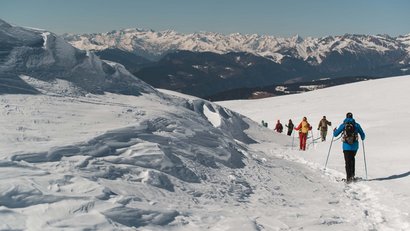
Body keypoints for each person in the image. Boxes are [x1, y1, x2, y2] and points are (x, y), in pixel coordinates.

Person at [333, 112, 365, 183]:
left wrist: (334, 131)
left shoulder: (343, 125)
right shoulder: (356, 125)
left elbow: (335, 134)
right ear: (352, 117)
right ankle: (352, 176)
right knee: (352, 160)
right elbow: (363, 135)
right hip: (355, 146)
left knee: (347, 162)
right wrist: (362, 138)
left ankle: (348, 178)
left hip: (346, 146)